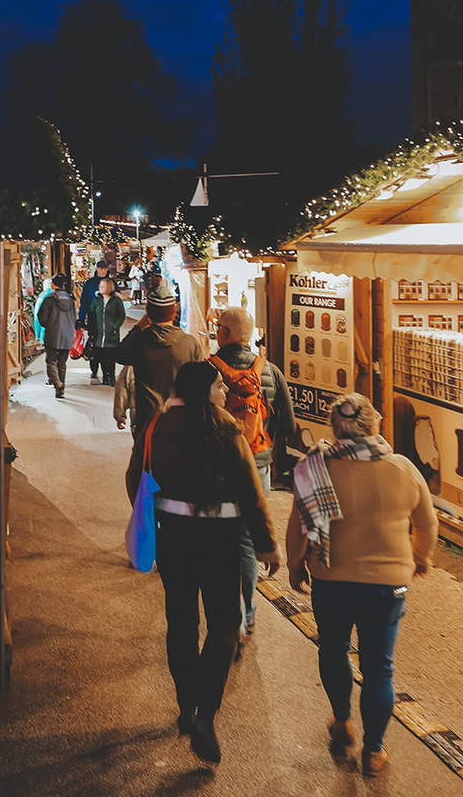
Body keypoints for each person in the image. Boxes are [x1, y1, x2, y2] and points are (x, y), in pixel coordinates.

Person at [126, 360, 280, 764]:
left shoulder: (156, 427)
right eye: (218, 386)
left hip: (173, 538)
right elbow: (250, 489)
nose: (224, 392)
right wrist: (266, 543)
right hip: (221, 538)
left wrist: (154, 523)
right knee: (225, 625)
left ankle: (186, 705)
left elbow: (134, 480)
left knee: (181, 621)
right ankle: (205, 714)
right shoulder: (228, 428)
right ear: (203, 391)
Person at [286, 393, 438, 777]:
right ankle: (374, 751)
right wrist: (421, 557)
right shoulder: (403, 469)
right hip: (387, 587)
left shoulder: (316, 467)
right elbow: (428, 522)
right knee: (379, 668)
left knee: (333, 650)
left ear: (335, 429)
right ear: (373, 426)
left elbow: (299, 525)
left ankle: (341, 721)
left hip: (330, 579)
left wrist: (294, 565)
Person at [210, 306, 297, 644]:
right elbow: (288, 426)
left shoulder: (210, 370)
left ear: (226, 334)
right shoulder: (270, 371)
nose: (217, 332)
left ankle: (222, 614)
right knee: (247, 542)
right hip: (258, 464)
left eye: (219, 328)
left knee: (218, 539)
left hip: (217, 465)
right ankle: (247, 616)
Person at [115, 287, 203, 433]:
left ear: (148, 313)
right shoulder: (190, 343)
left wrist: (138, 327)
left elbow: (119, 355)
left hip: (147, 417)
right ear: (173, 313)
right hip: (181, 418)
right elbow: (199, 382)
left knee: (146, 455)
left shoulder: (139, 341)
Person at [36, 274, 76, 399]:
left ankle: (57, 383)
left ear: (53, 284)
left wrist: (49, 325)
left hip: (53, 334)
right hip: (67, 335)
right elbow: (74, 317)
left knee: (51, 361)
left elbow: (41, 318)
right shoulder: (70, 299)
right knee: (62, 364)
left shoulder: (49, 299)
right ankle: (61, 389)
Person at [87, 277, 127, 386]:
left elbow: (121, 315)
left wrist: (115, 326)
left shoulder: (116, 300)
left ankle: (111, 376)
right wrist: (91, 329)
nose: (100, 288)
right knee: (101, 357)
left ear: (109, 287)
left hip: (111, 335)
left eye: (103, 286)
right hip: (99, 334)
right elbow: (91, 314)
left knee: (111, 357)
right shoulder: (96, 300)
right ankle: (105, 376)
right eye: (100, 286)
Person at [77, 260, 111, 381]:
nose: (103, 271)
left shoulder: (111, 283)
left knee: (106, 347)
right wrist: (81, 318)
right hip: (93, 319)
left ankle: (106, 372)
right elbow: (84, 302)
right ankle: (94, 369)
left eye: (105, 269)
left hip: (108, 320)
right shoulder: (89, 284)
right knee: (93, 345)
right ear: (97, 269)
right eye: (101, 269)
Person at [113, 364, 137, 433]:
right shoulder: (167, 363)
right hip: (163, 417)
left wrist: (119, 416)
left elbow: (121, 395)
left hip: (138, 419)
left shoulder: (130, 368)